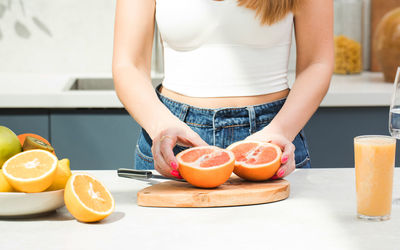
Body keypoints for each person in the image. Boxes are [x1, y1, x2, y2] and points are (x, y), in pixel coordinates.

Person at [112, 0, 334, 179]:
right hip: (170, 135)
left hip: (273, 134)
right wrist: (160, 125)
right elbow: (128, 65)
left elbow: (318, 62)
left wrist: (281, 130)